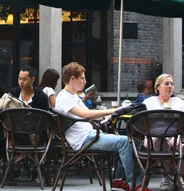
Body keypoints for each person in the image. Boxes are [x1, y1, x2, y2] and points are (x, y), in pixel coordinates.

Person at [54, 62, 146, 191]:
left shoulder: (73, 96)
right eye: (82, 78)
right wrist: (115, 110)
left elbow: (87, 116)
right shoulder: (64, 97)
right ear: (72, 79)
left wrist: (107, 117)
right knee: (124, 142)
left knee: (134, 142)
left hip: (92, 134)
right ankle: (136, 185)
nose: (85, 81)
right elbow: (86, 115)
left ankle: (120, 180)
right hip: (84, 139)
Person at [143, 74, 184, 191]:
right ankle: (166, 179)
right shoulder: (149, 102)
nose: (170, 86)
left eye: (172, 84)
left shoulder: (177, 101)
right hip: (154, 136)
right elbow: (137, 116)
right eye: (166, 84)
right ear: (158, 87)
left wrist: (179, 115)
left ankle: (177, 176)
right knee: (162, 141)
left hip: (176, 136)